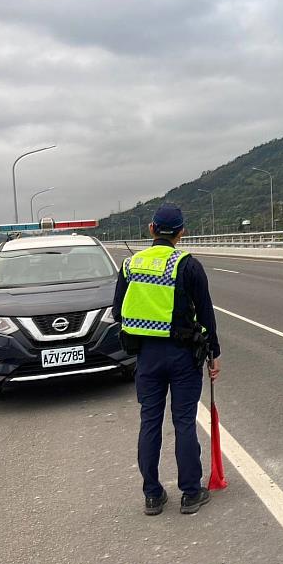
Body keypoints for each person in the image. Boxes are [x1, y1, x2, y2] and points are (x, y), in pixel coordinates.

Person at [113, 203, 221, 515]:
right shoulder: (188, 265)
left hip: (146, 356)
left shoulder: (131, 265)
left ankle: (152, 495)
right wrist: (213, 355)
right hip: (183, 356)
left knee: (150, 422)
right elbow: (206, 315)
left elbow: (118, 310)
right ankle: (190, 492)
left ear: (151, 229)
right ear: (181, 232)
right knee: (184, 421)